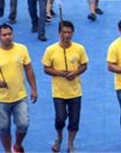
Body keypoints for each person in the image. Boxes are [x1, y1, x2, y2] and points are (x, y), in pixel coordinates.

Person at [0, 23, 37, 153]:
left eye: (9, 34)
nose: (7, 37)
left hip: (20, 96)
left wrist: (34, 88)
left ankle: (17, 146)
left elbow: (29, 69)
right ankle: (7, 151)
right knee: (3, 128)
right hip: (1, 98)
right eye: (4, 35)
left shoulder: (22, 49)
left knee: (23, 125)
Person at [42, 20, 88, 153]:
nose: (66, 35)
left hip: (75, 91)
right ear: (59, 33)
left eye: (69, 32)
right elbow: (46, 68)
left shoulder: (79, 49)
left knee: (74, 120)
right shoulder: (50, 50)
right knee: (60, 118)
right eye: (63, 32)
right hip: (59, 92)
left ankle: (70, 144)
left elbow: (84, 65)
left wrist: (75, 73)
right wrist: (60, 73)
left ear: (72, 33)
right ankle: (59, 137)